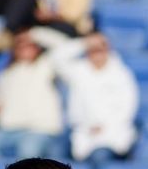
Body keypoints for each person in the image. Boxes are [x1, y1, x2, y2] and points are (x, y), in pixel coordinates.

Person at [0, 29, 69, 162]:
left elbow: (65, 46)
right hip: (9, 128)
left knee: (28, 150)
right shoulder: (5, 74)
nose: (25, 49)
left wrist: (35, 34)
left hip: (38, 128)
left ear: (37, 48)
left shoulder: (46, 65)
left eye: (29, 45)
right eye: (20, 46)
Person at [57, 29, 138, 161]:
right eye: (92, 48)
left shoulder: (121, 74)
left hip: (112, 134)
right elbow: (57, 59)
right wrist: (83, 43)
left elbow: (128, 108)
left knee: (100, 156)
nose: (97, 52)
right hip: (83, 133)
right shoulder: (79, 70)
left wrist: (103, 126)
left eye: (101, 47)